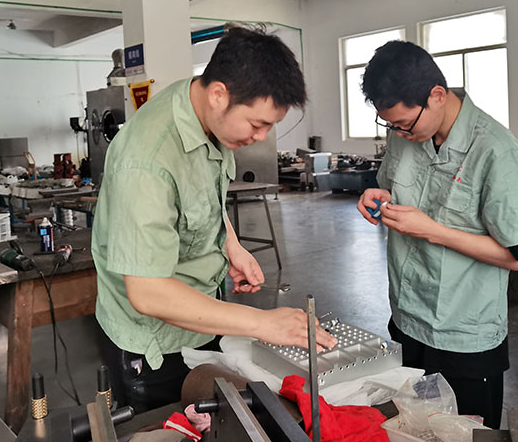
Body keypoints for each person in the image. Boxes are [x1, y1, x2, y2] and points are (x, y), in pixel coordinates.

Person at [92, 25, 337, 412]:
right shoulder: (146, 160)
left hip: (201, 314)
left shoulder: (201, 108)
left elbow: (202, 191)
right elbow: (147, 292)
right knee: (171, 430)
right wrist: (264, 324)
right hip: (154, 342)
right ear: (219, 94)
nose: (261, 137)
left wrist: (230, 243)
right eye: (257, 124)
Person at [356, 40, 518, 429]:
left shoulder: (496, 151)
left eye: (405, 123)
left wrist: (435, 232)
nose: (399, 133)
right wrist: (379, 195)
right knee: (415, 429)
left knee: (466, 435)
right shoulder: (405, 135)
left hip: (464, 335)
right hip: (408, 318)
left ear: (437, 96)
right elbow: (394, 186)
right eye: (391, 125)